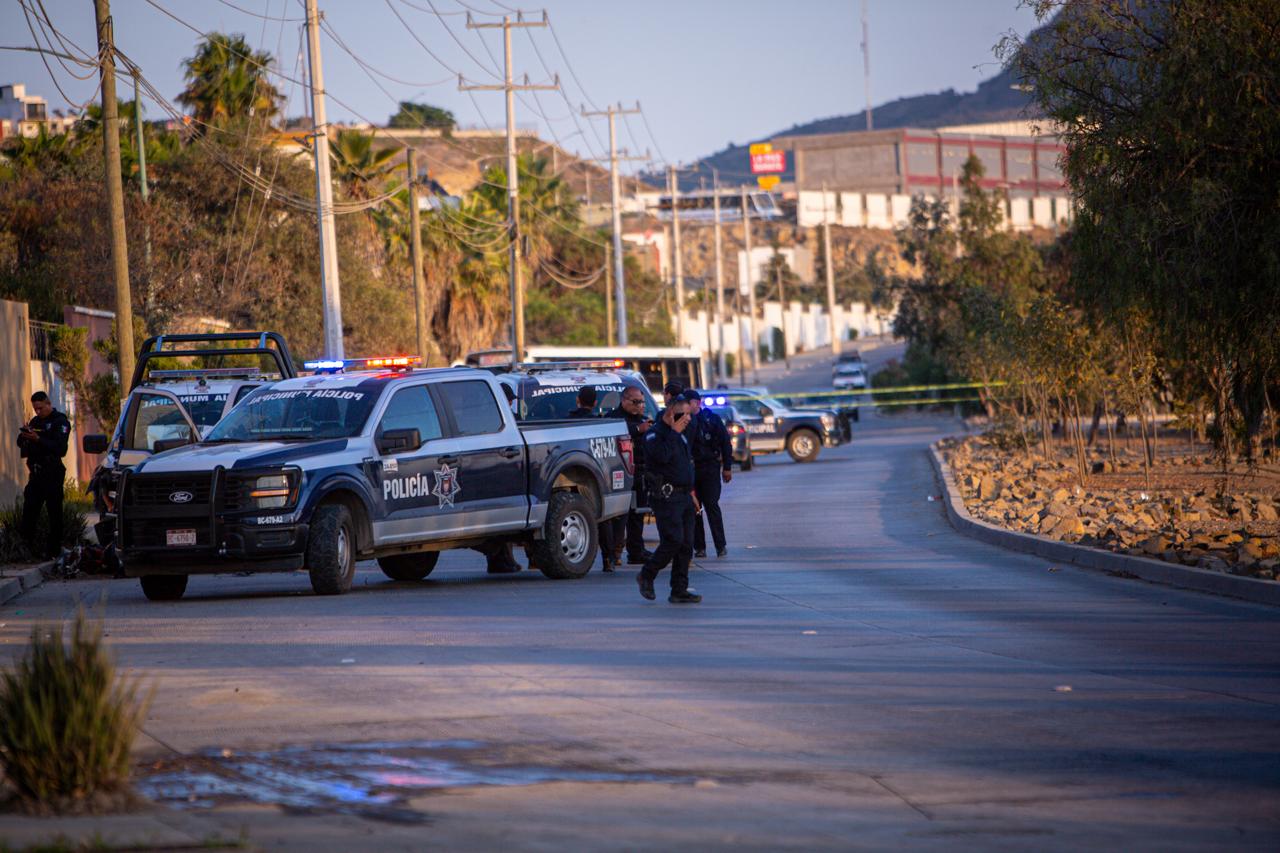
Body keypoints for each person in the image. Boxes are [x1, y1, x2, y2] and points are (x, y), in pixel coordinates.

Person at [636, 393, 701, 604]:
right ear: (673, 412)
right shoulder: (655, 435)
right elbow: (662, 457)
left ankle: (679, 589)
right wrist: (673, 432)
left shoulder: (681, 434)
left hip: (684, 495)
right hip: (666, 496)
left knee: (686, 545)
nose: (689, 419)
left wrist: (692, 493)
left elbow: (684, 465)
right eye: (685, 415)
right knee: (673, 540)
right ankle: (647, 574)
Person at [16, 391, 71, 559]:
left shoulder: (59, 421)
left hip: (52, 472)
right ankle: (26, 549)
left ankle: (53, 551)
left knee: (54, 512)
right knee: (29, 511)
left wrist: (38, 439)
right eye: (35, 409)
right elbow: (21, 441)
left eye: (40, 408)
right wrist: (26, 435)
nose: (38, 412)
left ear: (48, 403)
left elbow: (60, 448)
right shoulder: (36, 421)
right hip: (36, 473)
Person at [604, 385, 653, 569]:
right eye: (635, 402)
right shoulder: (613, 419)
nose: (639, 405)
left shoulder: (643, 420)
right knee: (617, 517)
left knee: (637, 514)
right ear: (624, 400)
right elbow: (618, 433)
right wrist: (638, 430)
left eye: (641, 402)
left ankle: (636, 550)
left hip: (639, 472)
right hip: (617, 473)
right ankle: (612, 553)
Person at [685, 390, 733, 558]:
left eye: (688, 402)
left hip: (710, 468)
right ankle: (699, 547)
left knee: (712, 506)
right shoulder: (684, 421)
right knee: (695, 509)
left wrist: (727, 467)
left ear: (696, 403)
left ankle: (720, 545)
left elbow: (726, 443)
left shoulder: (712, 420)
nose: (685, 405)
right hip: (692, 470)